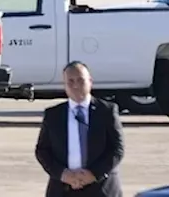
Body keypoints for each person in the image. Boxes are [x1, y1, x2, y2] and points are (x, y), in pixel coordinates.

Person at [34, 61, 124, 196]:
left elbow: (117, 149)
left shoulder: (106, 111)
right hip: (63, 189)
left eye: (80, 80)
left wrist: (93, 174)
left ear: (90, 81)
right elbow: (42, 151)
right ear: (64, 85)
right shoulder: (53, 115)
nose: (75, 85)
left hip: (101, 189)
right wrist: (63, 174)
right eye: (70, 81)